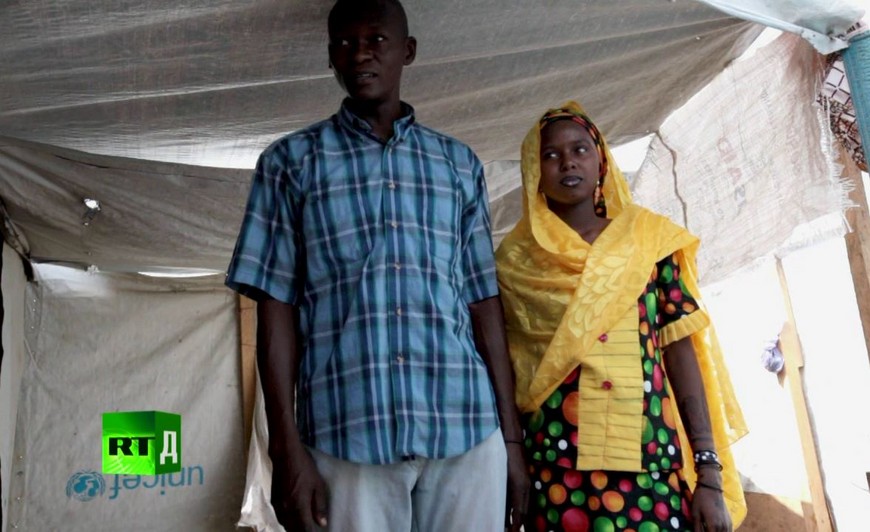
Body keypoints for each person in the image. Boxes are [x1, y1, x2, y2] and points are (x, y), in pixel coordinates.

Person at [225, 1, 528, 530]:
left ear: (407, 51)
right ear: (330, 58)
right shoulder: (290, 163)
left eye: (376, 40)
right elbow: (275, 310)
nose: (360, 53)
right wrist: (286, 452)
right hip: (347, 434)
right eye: (344, 43)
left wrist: (511, 441)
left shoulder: (458, 164)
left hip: (466, 428)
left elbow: (483, 302)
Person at [495, 102, 748, 532]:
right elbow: (504, 364)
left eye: (580, 149)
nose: (567, 161)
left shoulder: (648, 240)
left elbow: (679, 350)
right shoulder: (515, 262)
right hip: (557, 468)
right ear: (533, 171)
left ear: (602, 161)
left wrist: (709, 471)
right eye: (550, 154)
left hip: (649, 461)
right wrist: (512, 455)